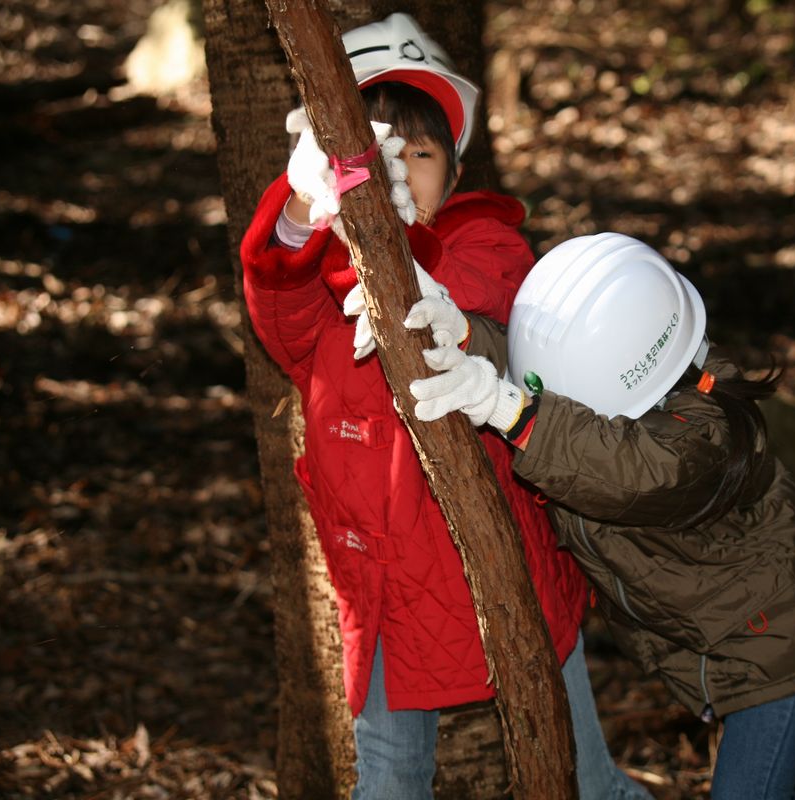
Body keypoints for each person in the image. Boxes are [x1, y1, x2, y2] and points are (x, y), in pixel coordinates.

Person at [239, 14, 649, 800]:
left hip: (507, 562)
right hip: (390, 581)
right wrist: (298, 209)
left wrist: (396, 254)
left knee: (585, 781)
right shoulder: (323, 293)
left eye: (420, 153)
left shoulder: (484, 243)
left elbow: (478, 303)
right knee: (389, 781)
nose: (402, 167)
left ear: (454, 176)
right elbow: (274, 292)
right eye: (380, 149)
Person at [388, 232, 795, 799]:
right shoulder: (626, 370)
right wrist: (464, 332)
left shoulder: (705, 432)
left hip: (788, 647)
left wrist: (512, 411)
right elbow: (554, 370)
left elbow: (633, 467)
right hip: (756, 642)